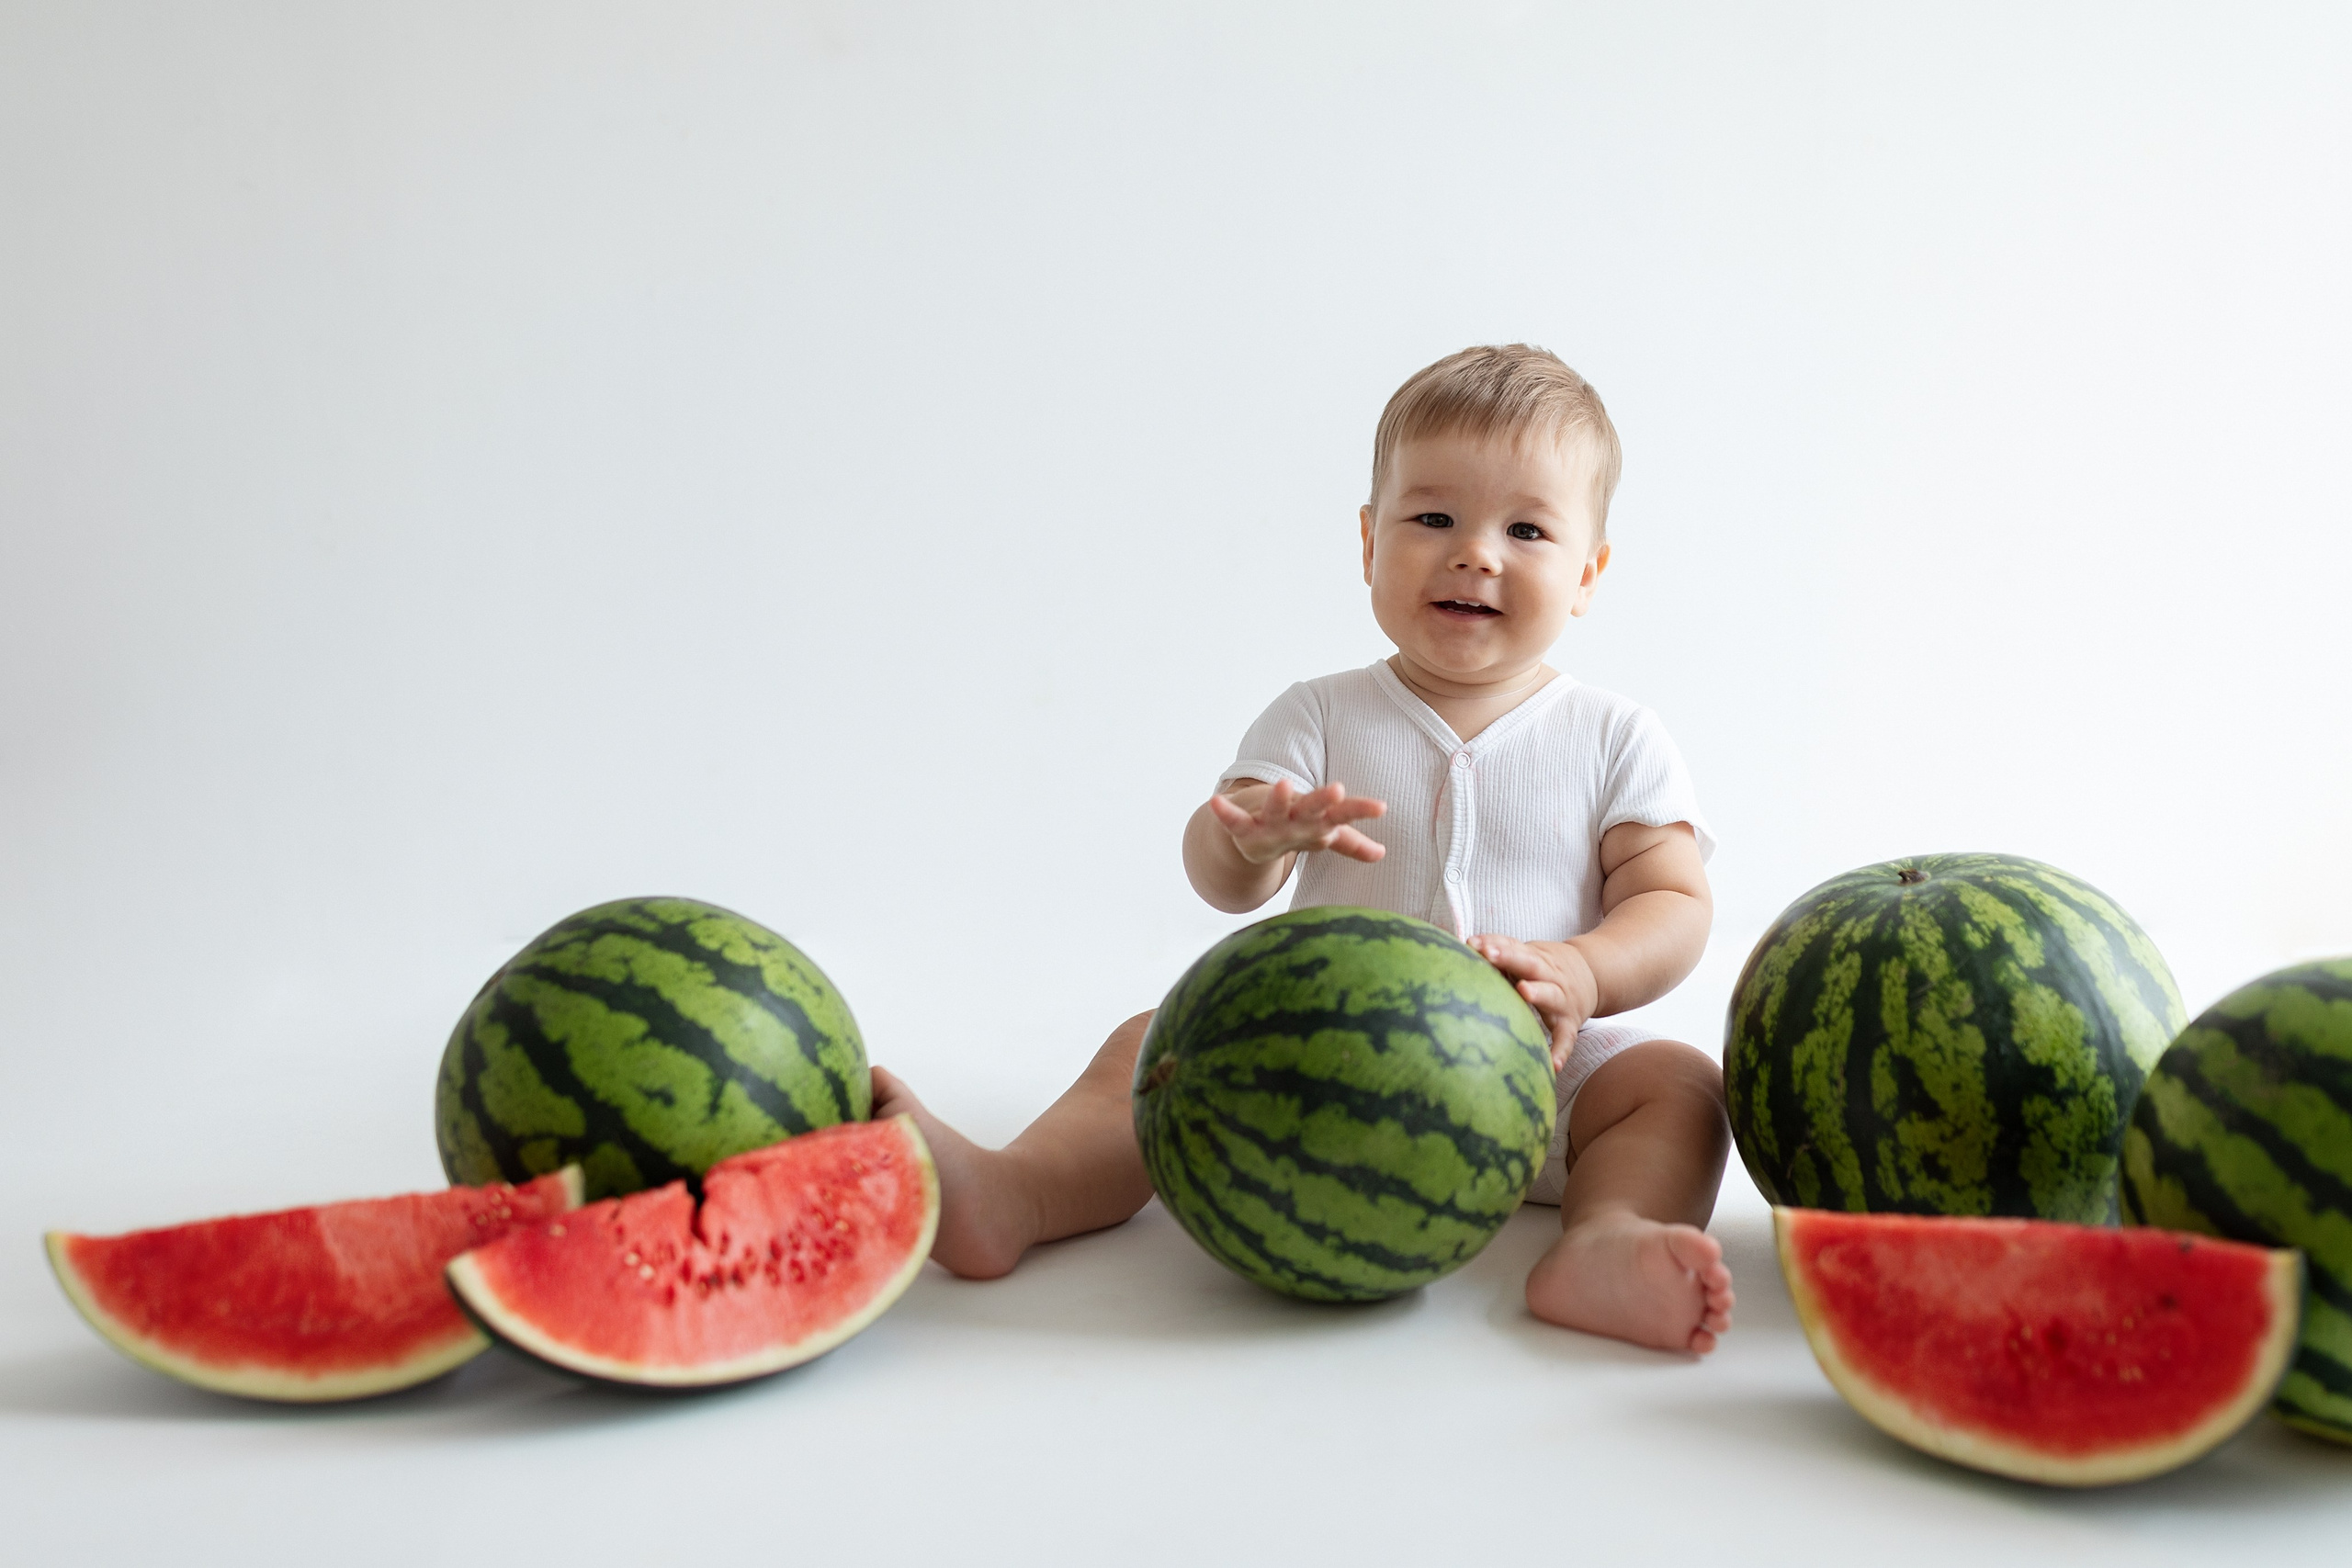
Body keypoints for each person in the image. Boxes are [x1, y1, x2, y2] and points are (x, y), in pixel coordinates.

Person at [875, 344, 1736, 1354]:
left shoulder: (1614, 736)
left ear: (1587, 573)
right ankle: (1016, 1192)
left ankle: (1605, 1237)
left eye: (1527, 529)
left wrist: (1582, 972)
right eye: (1432, 519)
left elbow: (1674, 904)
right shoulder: (1319, 715)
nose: (1475, 553)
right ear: (1369, 542)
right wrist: (1249, 840)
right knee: (1154, 1044)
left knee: (1677, 1086)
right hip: (1311, 1079)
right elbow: (1223, 879)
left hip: (1542, 1074)